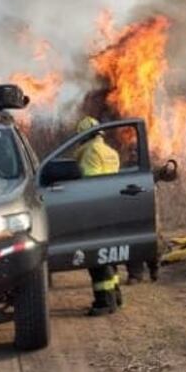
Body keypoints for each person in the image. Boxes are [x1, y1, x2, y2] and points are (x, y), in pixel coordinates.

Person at [73, 116, 124, 316]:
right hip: (112, 208)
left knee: (97, 258)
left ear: (84, 136)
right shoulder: (111, 152)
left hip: (95, 211)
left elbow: (90, 184)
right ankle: (116, 297)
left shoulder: (90, 152)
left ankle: (104, 302)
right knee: (110, 255)